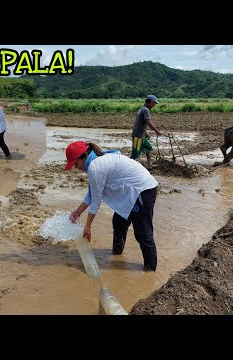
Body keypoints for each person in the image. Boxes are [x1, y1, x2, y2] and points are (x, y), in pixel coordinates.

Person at [65, 140, 159, 272]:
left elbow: (96, 201)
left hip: (142, 190)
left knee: (143, 233)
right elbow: (92, 192)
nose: (75, 167)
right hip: (131, 192)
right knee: (119, 222)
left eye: (75, 163)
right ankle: (117, 254)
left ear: (84, 156)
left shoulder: (95, 167)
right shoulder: (95, 160)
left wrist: (87, 227)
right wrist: (78, 212)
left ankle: (150, 271)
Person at [131, 94, 162, 169]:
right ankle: (129, 168)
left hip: (141, 134)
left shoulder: (142, 108)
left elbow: (140, 122)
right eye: (154, 103)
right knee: (135, 154)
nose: (155, 105)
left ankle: (149, 165)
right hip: (138, 136)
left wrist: (145, 132)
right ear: (151, 102)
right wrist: (157, 131)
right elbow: (149, 122)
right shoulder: (146, 110)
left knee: (148, 148)